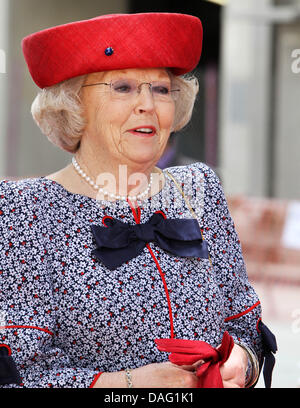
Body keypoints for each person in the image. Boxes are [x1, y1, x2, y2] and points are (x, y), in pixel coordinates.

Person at [0, 12, 275, 388]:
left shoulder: (201, 188)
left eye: (161, 89)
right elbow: (21, 373)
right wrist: (126, 385)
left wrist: (242, 364)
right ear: (73, 105)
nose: (148, 104)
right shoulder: (25, 209)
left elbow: (245, 324)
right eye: (123, 87)